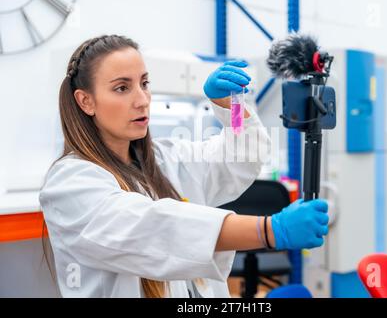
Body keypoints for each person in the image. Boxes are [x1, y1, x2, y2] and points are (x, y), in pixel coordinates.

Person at [39, 35, 329, 298]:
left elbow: (239, 159)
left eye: (144, 83)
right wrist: (268, 229)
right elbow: (153, 228)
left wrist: (232, 106)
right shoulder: (70, 183)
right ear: (86, 101)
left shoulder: (165, 159)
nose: (142, 100)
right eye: (122, 88)